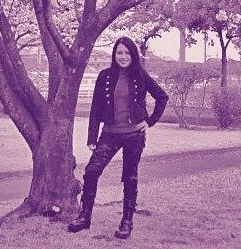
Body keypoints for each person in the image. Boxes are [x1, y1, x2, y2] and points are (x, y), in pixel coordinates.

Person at [67, 36, 169, 239]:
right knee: (91, 171)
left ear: (133, 55)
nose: (123, 56)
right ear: (114, 55)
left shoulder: (141, 75)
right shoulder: (104, 76)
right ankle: (84, 216)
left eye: (127, 53)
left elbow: (162, 97)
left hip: (134, 135)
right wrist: (92, 137)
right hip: (110, 134)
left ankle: (126, 222)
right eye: (119, 52)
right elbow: (96, 107)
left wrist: (149, 122)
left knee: (130, 177)